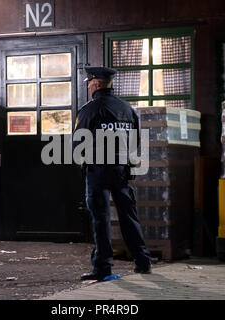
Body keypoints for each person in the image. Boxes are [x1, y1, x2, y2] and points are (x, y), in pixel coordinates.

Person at [73, 66, 152, 281]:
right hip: (122, 170)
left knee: (101, 219)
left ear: (96, 84)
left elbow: (78, 144)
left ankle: (103, 268)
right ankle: (143, 262)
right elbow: (137, 142)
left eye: (89, 82)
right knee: (128, 216)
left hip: (98, 170)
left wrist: (83, 163)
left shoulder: (90, 109)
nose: (89, 86)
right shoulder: (127, 109)